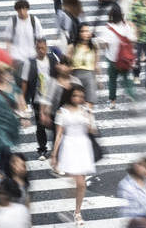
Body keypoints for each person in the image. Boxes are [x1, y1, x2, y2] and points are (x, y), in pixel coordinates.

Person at [51, 84, 97, 225]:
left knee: (79, 184)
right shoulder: (62, 112)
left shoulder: (86, 110)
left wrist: (89, 116)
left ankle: (77, 211)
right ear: (70, 96)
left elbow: (92, 131)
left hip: (83, 146)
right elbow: (59, 134)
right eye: (75, 95)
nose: (78, 99)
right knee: (79, 182)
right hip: (69, 147)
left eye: (81, 96)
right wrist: (54, 155)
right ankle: (75, 211)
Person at [0, 64, 28, 178]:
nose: (6, 75)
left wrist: (24, 118)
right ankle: (1, 171)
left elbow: (22, 105)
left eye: (7, 73)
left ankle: (5, 175)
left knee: (3, 151)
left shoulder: (15, 89)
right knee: (5, 149)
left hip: (11, 125)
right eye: (2, 73)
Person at [98, 5, 137, 109]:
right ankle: (132, 96)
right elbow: (133, 39)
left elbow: (103, 44)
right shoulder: (126, 26)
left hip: (112, 59)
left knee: (112, 80)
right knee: (126, 78)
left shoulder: (107, 29)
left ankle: (113, 101)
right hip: (124, 59)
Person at [66, 23, 98, 106]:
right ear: (78, 33)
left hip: (90, 77)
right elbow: (67, 64)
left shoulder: (94, 46)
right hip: (75, 76)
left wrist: (97, 79)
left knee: (89, 104)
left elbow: (96, 64)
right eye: (82, 31)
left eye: (87, 31)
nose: (85, 33)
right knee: (75, 103)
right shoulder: (72, 47)